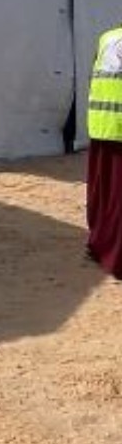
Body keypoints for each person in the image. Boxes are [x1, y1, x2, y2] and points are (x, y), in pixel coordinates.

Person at [86, 23, 122, 276]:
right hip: (119, 128)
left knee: (102, 193)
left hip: (101, 125)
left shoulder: (106, 37)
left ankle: (97, 243)